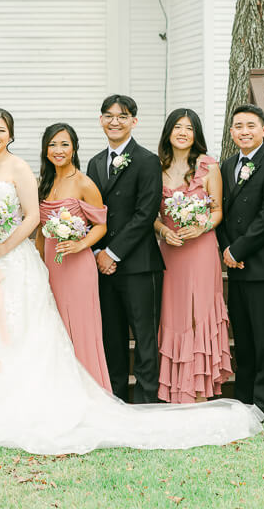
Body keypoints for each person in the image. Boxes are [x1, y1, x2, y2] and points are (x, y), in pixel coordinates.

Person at [0, 108, 264, 454]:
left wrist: (72, 247)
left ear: (11, 136)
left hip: (75, 258)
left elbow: (56, 216)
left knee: (99, 331)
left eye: (1, 129)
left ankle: (137, 400)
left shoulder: (57, 169)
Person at [85, 95, 164, 403]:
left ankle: (146, 402)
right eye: (108, 116)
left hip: (139, 264)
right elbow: (89, 212)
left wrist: (112, 253)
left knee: (144, 337)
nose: (114, 121)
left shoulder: (147, 160)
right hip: (102, 267)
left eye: (122, 116)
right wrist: (96, 253)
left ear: (134, 121)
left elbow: (145, 214)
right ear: (101, 120)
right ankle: (115, 398)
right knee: (111, 337)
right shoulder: (94, 163)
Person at [152, 109, 232, 404]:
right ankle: (174, 389)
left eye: (189, 128)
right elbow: (153, 216)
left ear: (196, 133)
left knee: (200, 311)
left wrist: (201, 228)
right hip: (171, 251)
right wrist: (162, 232)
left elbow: (217, 211)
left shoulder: (208, 166)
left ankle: (200, 389)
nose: (183, 132)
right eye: (177, 127)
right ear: (168, 132)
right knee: (175, 313)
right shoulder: (156, 167)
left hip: (200, 249)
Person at [217, 104, 264, 419]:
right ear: (232, 132)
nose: (244, 131)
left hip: (263, 265)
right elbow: (219, 211)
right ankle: (244, 399)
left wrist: (238, 251)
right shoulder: (226, 166)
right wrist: (226, 250)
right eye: (238, 126)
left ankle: (263, 404)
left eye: (251, 125)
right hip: (235, 265)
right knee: (243, 337)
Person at [34, 123, 111, 392]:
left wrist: (81, 246)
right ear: (45, 149)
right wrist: (37, 267)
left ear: (74, 148)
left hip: (78, 267)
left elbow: (101, 224)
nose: (58, 150)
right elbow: (41, 233)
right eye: (53, 144)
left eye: (64, 144)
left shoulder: (83, 182)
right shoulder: (43, 183)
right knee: (55, 329)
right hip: (51, 268)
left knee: (79, 327)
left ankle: (89, 391)